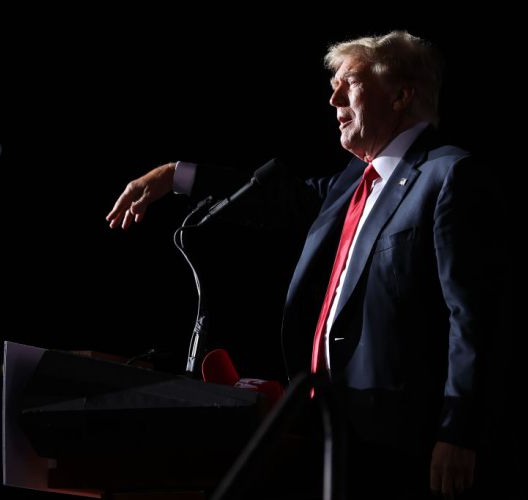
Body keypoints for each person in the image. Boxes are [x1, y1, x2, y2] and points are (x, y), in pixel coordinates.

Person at [106, 31, 493, 499]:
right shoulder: (353, 181)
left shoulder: (448, 175)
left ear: (401, 95)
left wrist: (458, 431)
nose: (333, 99)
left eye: (349, 83)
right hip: (327, 430)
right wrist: (176, 175)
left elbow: (473, 317)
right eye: (333, 86)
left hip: (403, 445)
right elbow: (279, 200)